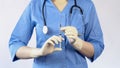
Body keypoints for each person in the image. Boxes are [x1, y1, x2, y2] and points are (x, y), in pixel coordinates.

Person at [9, 0, 104, 68]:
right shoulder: (35, 5)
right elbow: (15, 45)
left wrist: (78, 44)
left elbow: (97, 47)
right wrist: (40, 52)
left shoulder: (86, 5)